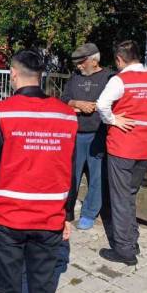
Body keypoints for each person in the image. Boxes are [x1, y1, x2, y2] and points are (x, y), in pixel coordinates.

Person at [0, 49, 78, 293]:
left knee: (8, 291)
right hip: (49, 217)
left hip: (8, 217)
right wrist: (67, 214)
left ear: (13, 74)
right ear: (40, 76)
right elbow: (70, 170)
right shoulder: (67, 114)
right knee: (42, 289)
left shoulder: (3, 111)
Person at [95, 40, 147, 266]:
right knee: (130, 194)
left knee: (120, 197)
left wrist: (115, 119)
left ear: (119, 59)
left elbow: (101, 105)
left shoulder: (120, 80)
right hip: (146, 146)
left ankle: (124, 249)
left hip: (122, 145)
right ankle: (131, 239)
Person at [60, 43, 114, 230]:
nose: (79, 66)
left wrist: (96, 106)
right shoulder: (74, 78)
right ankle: (66, 212)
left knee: (97, 176)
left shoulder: (109, 77)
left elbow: (115, 102)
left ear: (94, 60)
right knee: (70, 175)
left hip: (98, 133)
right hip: (75, 134)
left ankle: (90, 213)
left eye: (82, 62)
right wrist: (77, 103)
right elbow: (64, 99)